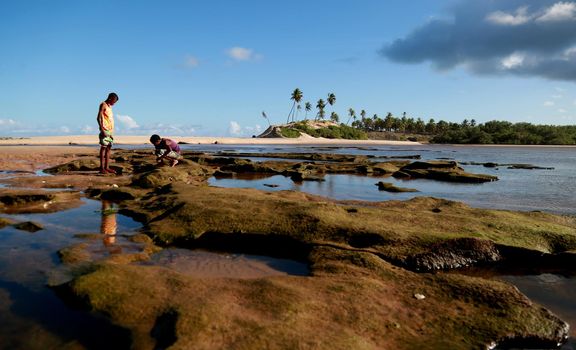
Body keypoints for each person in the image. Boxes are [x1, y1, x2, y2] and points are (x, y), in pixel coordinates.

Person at [97, 92, 119, 174]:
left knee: (109, 148)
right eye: (114, 101)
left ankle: (107, 167)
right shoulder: (103, 104)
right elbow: (98, 118)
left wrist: (111, 133)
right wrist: (102, 129)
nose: (114, 103)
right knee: (103, 148)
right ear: (110, 98)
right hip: (104, 129)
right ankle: (102, 168)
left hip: (110, 131)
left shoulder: (109, 107)